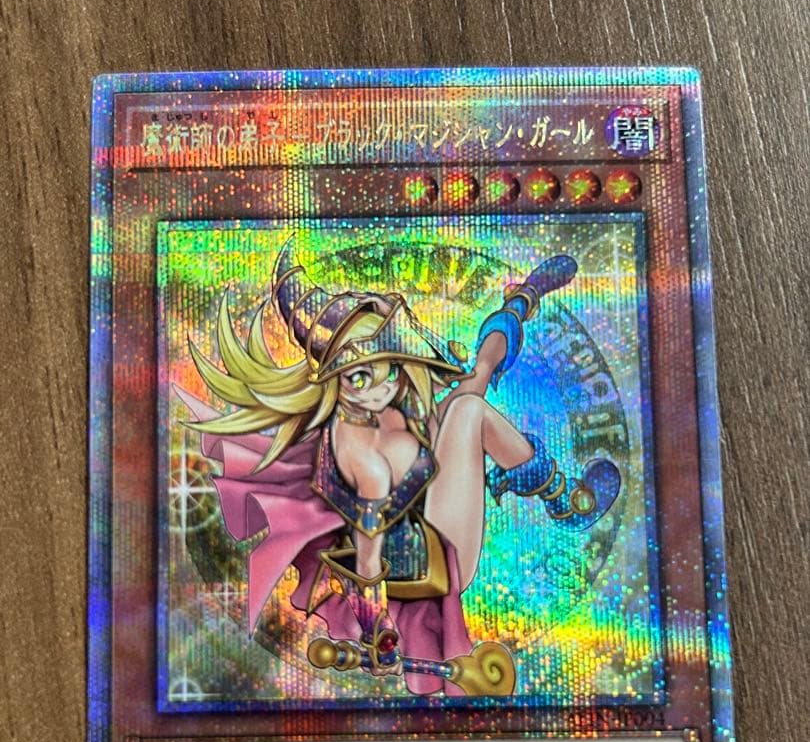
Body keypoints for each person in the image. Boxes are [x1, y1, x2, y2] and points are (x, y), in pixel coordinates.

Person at [177, 239, 619, 696]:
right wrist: (376, 629)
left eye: (387, 368)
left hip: (428, 509)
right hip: (435, 561)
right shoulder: (362, 456)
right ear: (335, 380)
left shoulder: (387, 404)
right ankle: (565, 501)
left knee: (475, 379)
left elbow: (424, 414)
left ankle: (519, 300)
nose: (380, 387)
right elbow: (368, 556)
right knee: (468, 409)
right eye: (359, 378)